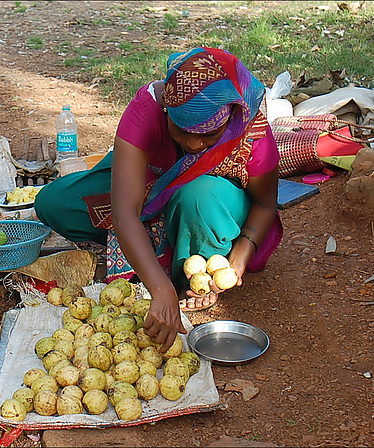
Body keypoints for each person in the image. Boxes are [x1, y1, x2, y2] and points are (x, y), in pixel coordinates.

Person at [35, 47, 282, 352]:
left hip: (210, 203)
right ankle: (160, 244)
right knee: (53, 202)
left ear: (229, 119)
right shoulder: (147, 108)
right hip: (152, 182)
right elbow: (124, 212)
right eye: (181, 130)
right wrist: (159, 288)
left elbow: (264, 204)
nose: (193, 143)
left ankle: (190, 263)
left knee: (197, 195)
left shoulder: (249, 130)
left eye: (208, 136)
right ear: (167, 107)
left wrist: (240, 256)